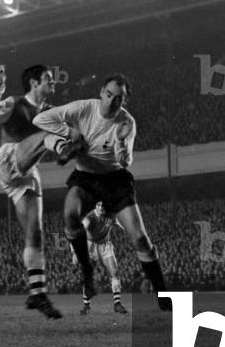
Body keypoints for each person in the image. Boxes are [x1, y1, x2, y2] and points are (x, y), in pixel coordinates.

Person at [33, 74, 171, 311]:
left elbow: (126, 161)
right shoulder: (83, 108)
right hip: (86, 177)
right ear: (101, 92)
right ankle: (87, 271)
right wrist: (69, 133)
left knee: (140, 238)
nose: (112, 101)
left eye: (119, 98)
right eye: (109, 95)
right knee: (69, 214)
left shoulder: (127, 123)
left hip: (115, 180)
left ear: (124, 101)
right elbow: (41, 118)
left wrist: (119, 141)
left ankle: (162, 292)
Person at [0, 64, 71, 319]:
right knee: (47, 131)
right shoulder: (15, 103)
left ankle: (37, 294)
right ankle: (62, 149)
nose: (52, 84)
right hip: (9, 158)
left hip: (27, 173)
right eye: (48, 80)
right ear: (34, 83)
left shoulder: (49, 110)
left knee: (35, 232)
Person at [77, 202, 128, 315]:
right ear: (95, 206)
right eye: (98, 205)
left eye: (103, 205)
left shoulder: (111, 215)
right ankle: (86, 305)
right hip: (91, 247)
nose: (100, 207)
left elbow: (121, 224)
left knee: (115, 272)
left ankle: (117, 304)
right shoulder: (90, 217)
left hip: (105, 245)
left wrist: (129, 230)